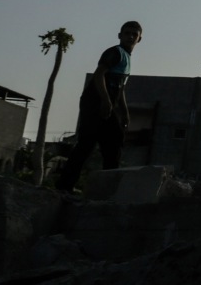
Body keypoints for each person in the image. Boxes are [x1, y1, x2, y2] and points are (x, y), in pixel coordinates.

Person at [56, 21, 142, 192]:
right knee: (87, 144)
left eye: (134, 34)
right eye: (127, 33)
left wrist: (125, 112)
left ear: (139, 39)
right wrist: (105, 100)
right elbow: (98, 75)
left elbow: (121, 88)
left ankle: (106, 188)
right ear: (120, 35)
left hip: (107, 104)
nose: (130, 36)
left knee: (112, 142)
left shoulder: (127, 58)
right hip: (94, 102)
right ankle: (65, 186)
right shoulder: (115, 53)